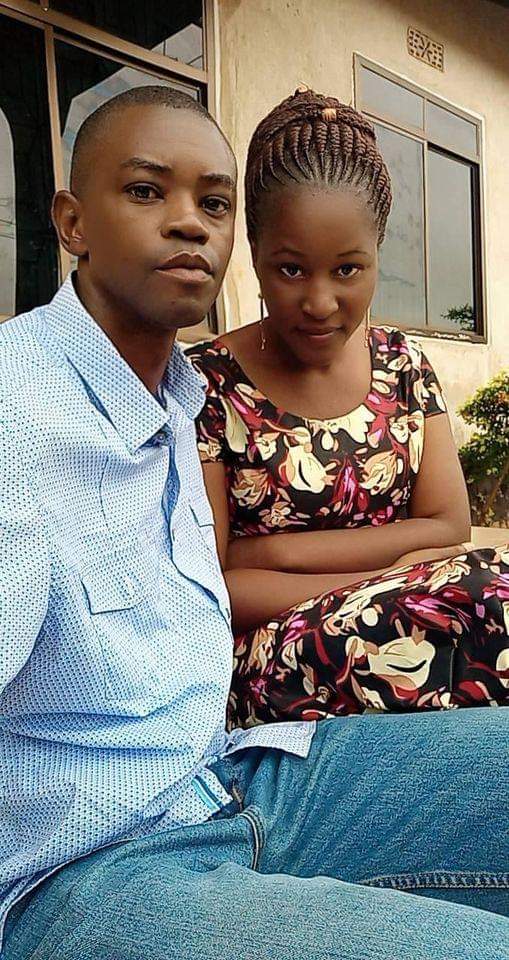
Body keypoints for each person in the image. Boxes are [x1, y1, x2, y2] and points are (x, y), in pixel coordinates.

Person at [1, 85, 508, 960]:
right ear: (72, 222)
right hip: (85, 867)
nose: (187, 222)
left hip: (228, 777)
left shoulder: (175, 398)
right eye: (146, 190)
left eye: (213, 203)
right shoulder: (19, 413)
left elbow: (446, 525)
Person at [186, 88, 509, 729]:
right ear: (254, 251)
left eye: (347, 270)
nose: (319, 302)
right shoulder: (208, 384)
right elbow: (213, 584)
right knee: (485, 598)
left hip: (411, 613)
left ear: (378, 254)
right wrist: (381, 577)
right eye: (290, 270)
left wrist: (273, 553)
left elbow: (449, 527)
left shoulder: (402, 364)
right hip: (275, 658)